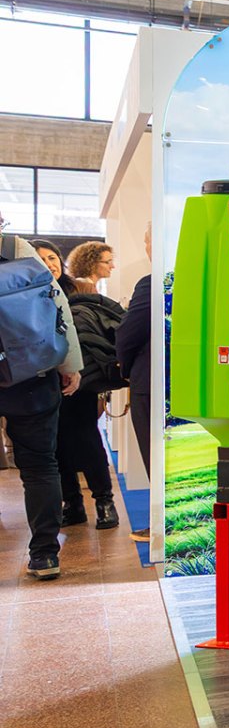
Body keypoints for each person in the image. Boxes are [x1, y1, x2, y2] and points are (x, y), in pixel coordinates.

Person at [0, 213, 84, 579]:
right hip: (30, 372)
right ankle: (45, 554)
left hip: (26, 372)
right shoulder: (16, 248)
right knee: (39, 467)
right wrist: (70, 364)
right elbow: (56, 305)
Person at [58, 274, 125, 530]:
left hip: (81, 379)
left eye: (53, 258)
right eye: (43, 259)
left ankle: (104, 502)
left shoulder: (77, 288)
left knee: (86, 439)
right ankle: (72, 504)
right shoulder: (31, 291)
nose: (49, 264)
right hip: (42, 378)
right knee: (56, 444)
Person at [116, 229, 155, 543]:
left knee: (155, 454)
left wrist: (124, 368)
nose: (145, 247)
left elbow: (129, 333)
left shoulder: (152, 284)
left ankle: (162, 527)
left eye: (147, 240)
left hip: (151, 382)